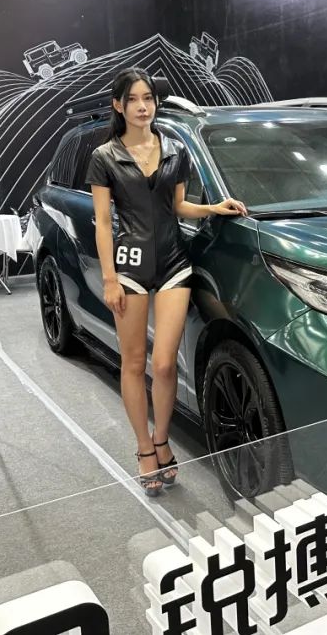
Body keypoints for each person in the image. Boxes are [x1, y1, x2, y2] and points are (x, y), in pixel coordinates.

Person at [86, 68, 247, 496]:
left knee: (164, 364)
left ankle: (162, 440)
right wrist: (109, 279)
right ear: (118, 105)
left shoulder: (176, 149)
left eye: (149, 98)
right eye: (133, 99)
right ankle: (144, 448)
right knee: (133, 362)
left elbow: (178, 207)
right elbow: (103, 222)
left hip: (175, 262)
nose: (143, 106)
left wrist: (213, 207)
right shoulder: (104, 156)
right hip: (129, 266)